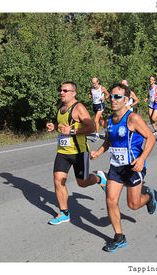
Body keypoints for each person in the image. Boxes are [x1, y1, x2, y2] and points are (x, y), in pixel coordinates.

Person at [90, 83, 157, 252]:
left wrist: (142, 159)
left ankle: (148, 196)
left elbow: (150, 138)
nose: (113, 99)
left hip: (133, 166)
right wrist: (99, 152)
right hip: (116, 167)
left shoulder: (132, 118)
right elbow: (109, 141)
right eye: (111, 96)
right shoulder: (110, 120)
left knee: (133, 205)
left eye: (117, 96)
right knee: (110, 200)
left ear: (126, 100)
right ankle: (119, 237)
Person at [46, 81, 104, 225]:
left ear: (74, 93)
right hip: (63, 151)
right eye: (61, 90)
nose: (62, 92)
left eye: (66, 90)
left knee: (82, 183)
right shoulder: (60, 107)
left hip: (79, 152)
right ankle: (64, 213)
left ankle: (99, 179)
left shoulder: (79, 108)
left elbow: (91, 127)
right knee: (58, 180)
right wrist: (53, 126)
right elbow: (60, 123)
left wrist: (72, 131)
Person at [88, 78, 109, 142]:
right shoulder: (91, 88)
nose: (94, 84)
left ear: (98, 82)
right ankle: (107, 133)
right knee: (101, 119)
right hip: (95, 105)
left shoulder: (102, 88)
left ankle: (97, 136)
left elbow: (108, 94)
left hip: (100, 104)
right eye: (92, 83)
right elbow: (91, 94)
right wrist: (90, 95)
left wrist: (104, 97)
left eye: (95, 83)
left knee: (96, 120)